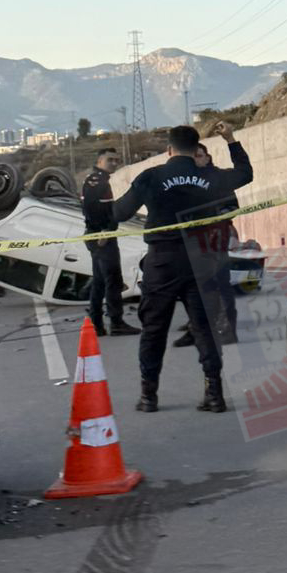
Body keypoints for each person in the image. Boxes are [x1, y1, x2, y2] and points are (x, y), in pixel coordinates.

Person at [108, 123, 252, 414]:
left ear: (169, 149)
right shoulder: (210, 175)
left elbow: (120, 212)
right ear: (195, 147)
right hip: (202, 259)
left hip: (162, 261)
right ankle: (214, 393)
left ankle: (149, 395)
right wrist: (230, 139)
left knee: (154, 329)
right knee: (204, 329)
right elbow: (245, 174)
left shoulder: (152, 176)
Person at [173, 139, 242, 349]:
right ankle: (196, 327)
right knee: (195, 286)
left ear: (208, 158)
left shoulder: (219, 178)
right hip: (193, 241)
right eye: (192, 156)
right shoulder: (185, 182)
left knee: (220, 284)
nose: (196, 160)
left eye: (200, 155)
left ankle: (227, 330)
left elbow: (231, 207)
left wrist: (213, 218)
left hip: (215, 238)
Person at [80, 148, 138, 337]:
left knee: (100, 281)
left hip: (100, 235)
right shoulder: (96, 180)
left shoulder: (103, 180)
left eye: (116, 160)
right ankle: (116, 322)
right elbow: (90, 208)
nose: (114, 163)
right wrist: (103, 231)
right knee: (113, 281)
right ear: (99, 161)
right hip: (101, 236)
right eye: (110, 160)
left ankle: (97, 323)